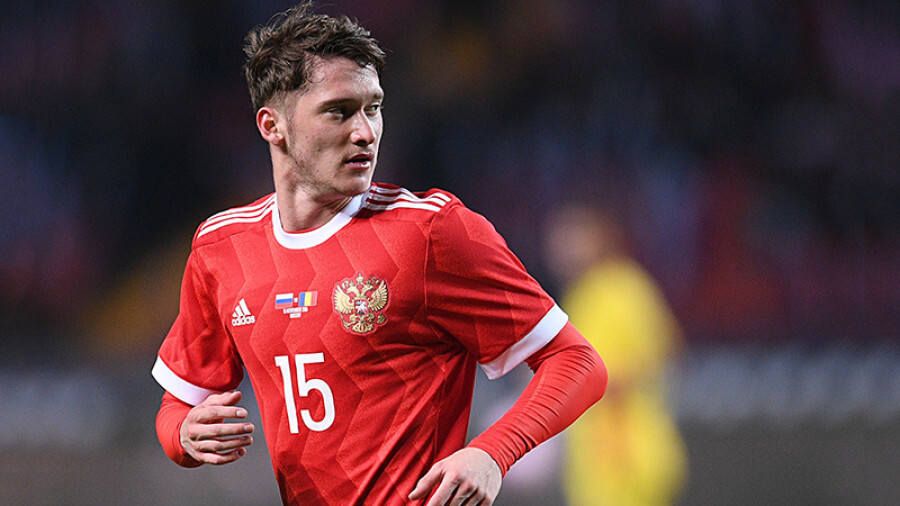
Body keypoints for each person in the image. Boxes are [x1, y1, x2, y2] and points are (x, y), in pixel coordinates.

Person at [151, 3, 607, 505]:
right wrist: (186, 435)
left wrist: (491, 452)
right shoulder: (222, 248)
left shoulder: (429, 233)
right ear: (272, 125)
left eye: (373, 108)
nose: (365, 131)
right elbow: (177, 407)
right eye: (339, 111)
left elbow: (577, 362)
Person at [544, 204, 687, 506]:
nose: (563, 248)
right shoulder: (603, 290)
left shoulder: (613, 290)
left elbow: (643, 362)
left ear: (600, 236)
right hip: (614, 454)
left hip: (622, 457)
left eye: (574, 237)